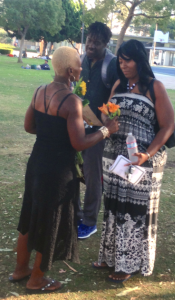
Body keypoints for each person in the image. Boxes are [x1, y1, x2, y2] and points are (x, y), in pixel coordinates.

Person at [9, 46, 119, 293]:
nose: (82, 70)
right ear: (71, 71)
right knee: (50, 222)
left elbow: (29, 126)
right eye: (79, 66)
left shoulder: (40, 91)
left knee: (30, 215)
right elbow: (79, 143)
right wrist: (105, 131)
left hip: (37, 163)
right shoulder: (72, 101)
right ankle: (36, 279)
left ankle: (20, 270)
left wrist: (51, 134)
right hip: (58, 171)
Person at [93, 39, 175, 282]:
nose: (123, 64)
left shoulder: (154, 87)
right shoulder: (118, 84)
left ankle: (127, 263)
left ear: (140, 60)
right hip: (115, 157)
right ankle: (110, 256)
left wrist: (147, 154)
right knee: (113, 207)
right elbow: (106, 113)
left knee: (133, 210)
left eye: (127, 59)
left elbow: (168, 126)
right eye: (120, 60)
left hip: (142, 159)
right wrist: (105, 115)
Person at [77, 22, 118, 239]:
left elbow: (117, 96)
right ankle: (75, 214)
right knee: (72, 169)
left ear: (106, 44)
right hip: (76, 126)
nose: (91, 45)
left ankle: (89, 221)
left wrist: (108, 122)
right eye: (89, 40)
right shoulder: (81, 60)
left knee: (93, 175)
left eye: (97, 42)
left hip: (98, 131)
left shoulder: (111, 65)